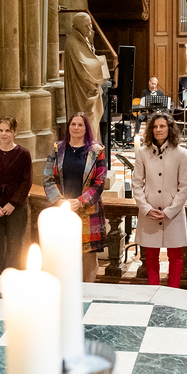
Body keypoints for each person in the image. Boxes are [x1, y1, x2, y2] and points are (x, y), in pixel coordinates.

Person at [44, 112, 107, 281]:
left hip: (87, 209)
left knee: (88, 255)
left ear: (86, 128)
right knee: (63, 252)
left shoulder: (96, 151)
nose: (76, 128)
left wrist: (81, 201)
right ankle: (65, 287)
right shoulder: (58, 149)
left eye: (80, 125)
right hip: (62, 209)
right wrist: (59, 200)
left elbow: (100, 181)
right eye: (73, 124)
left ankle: (87, 290)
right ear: (68, 127)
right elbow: (48, 178)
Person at [132, 111, 187, 287]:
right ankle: (153, 289)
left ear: (169, 128)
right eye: (155, 127)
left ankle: (173, 291)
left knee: (175, 256)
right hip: (150, 212)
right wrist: (146, 208)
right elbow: (137, 184)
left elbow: (184, 187)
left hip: (173, 213)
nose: (158, 129)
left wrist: (169, 211)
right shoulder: (143, 153)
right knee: (150, 256)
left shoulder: (181, 154)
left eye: (162, 126)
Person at [0, 116, 33, 274]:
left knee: (15, 245)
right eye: (1, 130)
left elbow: (26, 182)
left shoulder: (23, 154)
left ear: (15, 132)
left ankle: (13, 277)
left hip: (16, 207)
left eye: (7, 130)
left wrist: (13, 203)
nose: (3, 134)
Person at [65, 13, 108, 141]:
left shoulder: (84, 39)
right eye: (86, 26)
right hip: (81, 90)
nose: (89, 28)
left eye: (90, 24)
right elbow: (83, 67)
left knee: (92, 121)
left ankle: (93, 146)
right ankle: (87, 146)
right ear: (77, 27)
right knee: (86, 119)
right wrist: (100, 62)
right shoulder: (73, 42)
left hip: (89, 88)